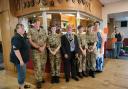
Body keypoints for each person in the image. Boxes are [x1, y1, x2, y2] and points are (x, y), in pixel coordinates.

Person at [27, 18, 47, 88]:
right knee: (37, 66)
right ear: (34, 23)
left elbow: (45, 40)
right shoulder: (31, 30)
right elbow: (30, 41)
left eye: (38, 22)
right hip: (35, 51)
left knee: (42, 65)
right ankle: (38, 81)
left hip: (43, 51)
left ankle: (41, 77)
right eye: (36, 22)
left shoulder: (43, 30)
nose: (38, 23)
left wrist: (43, 47)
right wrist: (38, 47)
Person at [10, 24, 30, 89]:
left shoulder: (22, 36)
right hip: (19, 60)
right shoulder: (16, 37)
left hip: (24, 59)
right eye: (21, 28)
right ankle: (21, 87)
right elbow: (16, 50)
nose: (23, 29)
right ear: (17, 29)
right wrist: (21, 61)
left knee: (23, 73)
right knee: (21, 74)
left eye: (23, 28)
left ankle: (22, 85)